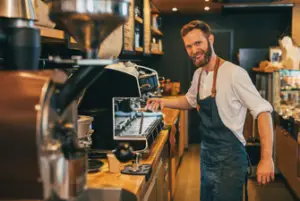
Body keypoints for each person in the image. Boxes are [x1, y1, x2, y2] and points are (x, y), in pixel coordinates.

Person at [145, 20, 275, 201]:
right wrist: (162, 101)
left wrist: (266, 158)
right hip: (207, 156)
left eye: (198, 43)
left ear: (210, 40)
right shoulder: (198, 74)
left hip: (230, 161)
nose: (193, 50)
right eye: (188, 46)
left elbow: (263, 112)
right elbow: (189, 100)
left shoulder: (233, 73)